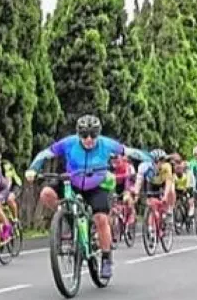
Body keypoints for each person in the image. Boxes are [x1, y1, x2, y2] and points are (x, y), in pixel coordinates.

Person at [26, 115, 150, 280]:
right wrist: (33, 168)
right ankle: (67, 216)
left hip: (96, 185)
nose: (89, 139)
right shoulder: (69, 142)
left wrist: (149, 159)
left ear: (98, 134)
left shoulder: (106, 144)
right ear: (78, 135)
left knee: (100, 219)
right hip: (73, 181)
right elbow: (45, 153)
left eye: (93, 135)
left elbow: (130, 151)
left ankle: (106, 258)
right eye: (84, 135)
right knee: (46, 194)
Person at [0, 149, 21, 220]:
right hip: (2, 185)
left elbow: (9, 181)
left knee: (9, 199)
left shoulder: (6, 165)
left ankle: (15, 219)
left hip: (14, 185)